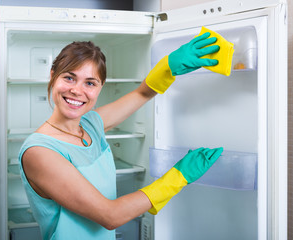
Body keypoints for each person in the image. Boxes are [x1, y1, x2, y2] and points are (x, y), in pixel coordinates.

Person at [19, 32, 223, 239]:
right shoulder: (40, 152)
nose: (77, 90)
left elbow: (141, 93)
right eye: (69, 77)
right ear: (53, 75)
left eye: (90, 83)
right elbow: (110, 215)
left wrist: (168, 67)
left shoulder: (91, 124)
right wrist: (177, 177)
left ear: (100, 88)